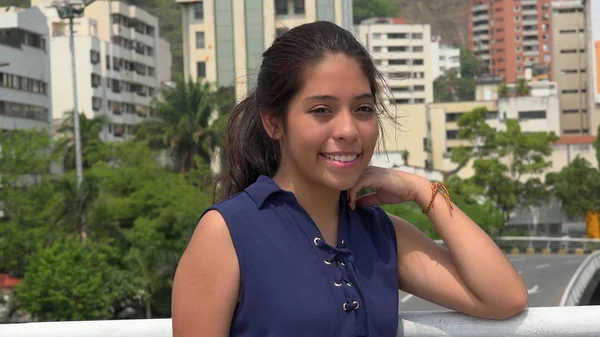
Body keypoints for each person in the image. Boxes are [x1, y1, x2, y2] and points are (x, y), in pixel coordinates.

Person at [171, 21, 528, 337]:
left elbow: (503, 298)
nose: (347, 130)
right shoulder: (227, 232)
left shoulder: (380, 232)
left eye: (363, 109)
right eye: (321, 110)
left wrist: (420, 190)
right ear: (274, 122)